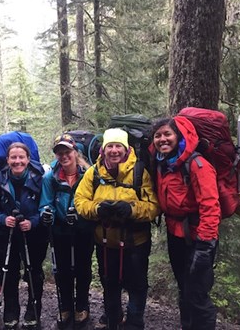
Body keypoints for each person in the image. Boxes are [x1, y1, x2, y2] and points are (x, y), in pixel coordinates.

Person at [75, 128, 159, 330]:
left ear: (126, 149)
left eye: (118, 146)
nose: (114, 151)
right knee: (109, 284)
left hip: (136, 242)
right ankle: (114, 320)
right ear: (103, 149)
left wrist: (131, 210)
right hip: (105, 242)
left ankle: (134, 322)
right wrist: (96, 209)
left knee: (137, 285)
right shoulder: (93, 173)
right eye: (110, 146)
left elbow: (154, 206)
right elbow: (80, 201)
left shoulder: (139, 172)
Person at [151, 116, 220, 330]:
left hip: (198, 238)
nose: (163, 139)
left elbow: (211, 205)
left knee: (198, 295)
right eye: (158, 135)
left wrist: (205, 246)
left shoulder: (197, 164)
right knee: (184, 290)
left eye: (167, 134)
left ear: (178, 136)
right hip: (176, 235)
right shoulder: (163, 163)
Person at [0, 142, 47, 330]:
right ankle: (11, 313)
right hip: (7, 234)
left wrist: (33, 221)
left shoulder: (39, 179)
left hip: (34, 235)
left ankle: (33, 312)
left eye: (21, 157)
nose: (17, 161)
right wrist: (3, 219)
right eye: (14, 157)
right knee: (8, 274)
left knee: (34, 273)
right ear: (7, 160)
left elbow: (46, 206)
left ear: (28, 159)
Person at [38, 134, 95, 328]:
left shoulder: (88, 175)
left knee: (82, 268)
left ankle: (82, 305)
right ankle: (66, 307)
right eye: (59, 153)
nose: (63, 156)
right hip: (60, 230)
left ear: (75, 152)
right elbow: (45, 203)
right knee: (62, 270)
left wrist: (80, 216)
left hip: (83, 229)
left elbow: (94, 202)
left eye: (67, 152)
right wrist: (47, 214)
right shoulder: (50, 177)